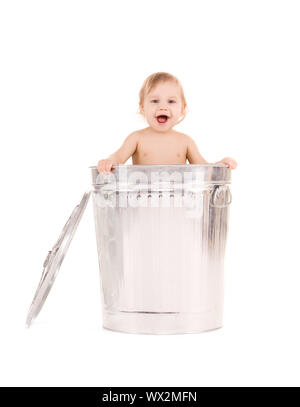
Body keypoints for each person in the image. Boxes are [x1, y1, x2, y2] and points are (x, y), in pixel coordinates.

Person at [97, 72, 237, 173]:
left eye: (171, 101)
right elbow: (118, 157)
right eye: (155, 101)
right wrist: (109, 161)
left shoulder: (185, 141)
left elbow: (205, 170)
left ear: (182, 109)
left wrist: (219, 166)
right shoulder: (136, 138)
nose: (162, 107)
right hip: (144, 204)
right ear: (142, 107)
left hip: (177, 205)